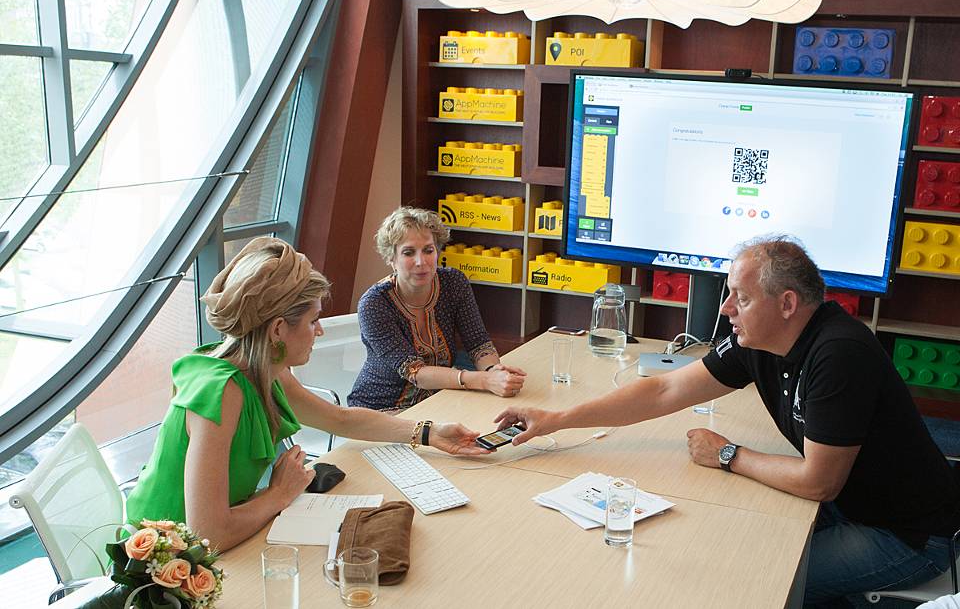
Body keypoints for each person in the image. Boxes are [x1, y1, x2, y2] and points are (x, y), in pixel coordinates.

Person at [495, 236, 960, 607]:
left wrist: (728, 454)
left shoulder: (839, 353)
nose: (725, 308)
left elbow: (819, 482)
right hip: (849, 507)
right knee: (724, 548)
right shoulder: (758, 339)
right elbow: (664, 390)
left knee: (756, 584)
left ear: (787, 304)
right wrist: (556, 419)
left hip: (906, 536)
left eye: (742, 297)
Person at [125, 237, 491, 551]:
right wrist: (279, 494)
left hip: (214, 549)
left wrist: (429, 432)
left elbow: (339, 419)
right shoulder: (221, 392)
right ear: (278, 330)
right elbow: (209, 533)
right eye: (313, 320)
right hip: (164, 562)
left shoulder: (263, 369)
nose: (320, 331)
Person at [348, 206, 526, 411]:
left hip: (437, 401)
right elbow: (415, 372)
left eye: (428, 250)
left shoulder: (454, 283)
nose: (421, 261)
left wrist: (494, 371)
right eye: (408, 252)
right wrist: (485, 381)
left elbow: (478, 343)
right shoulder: (374, 304)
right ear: (391, 258)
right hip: (379, 409)